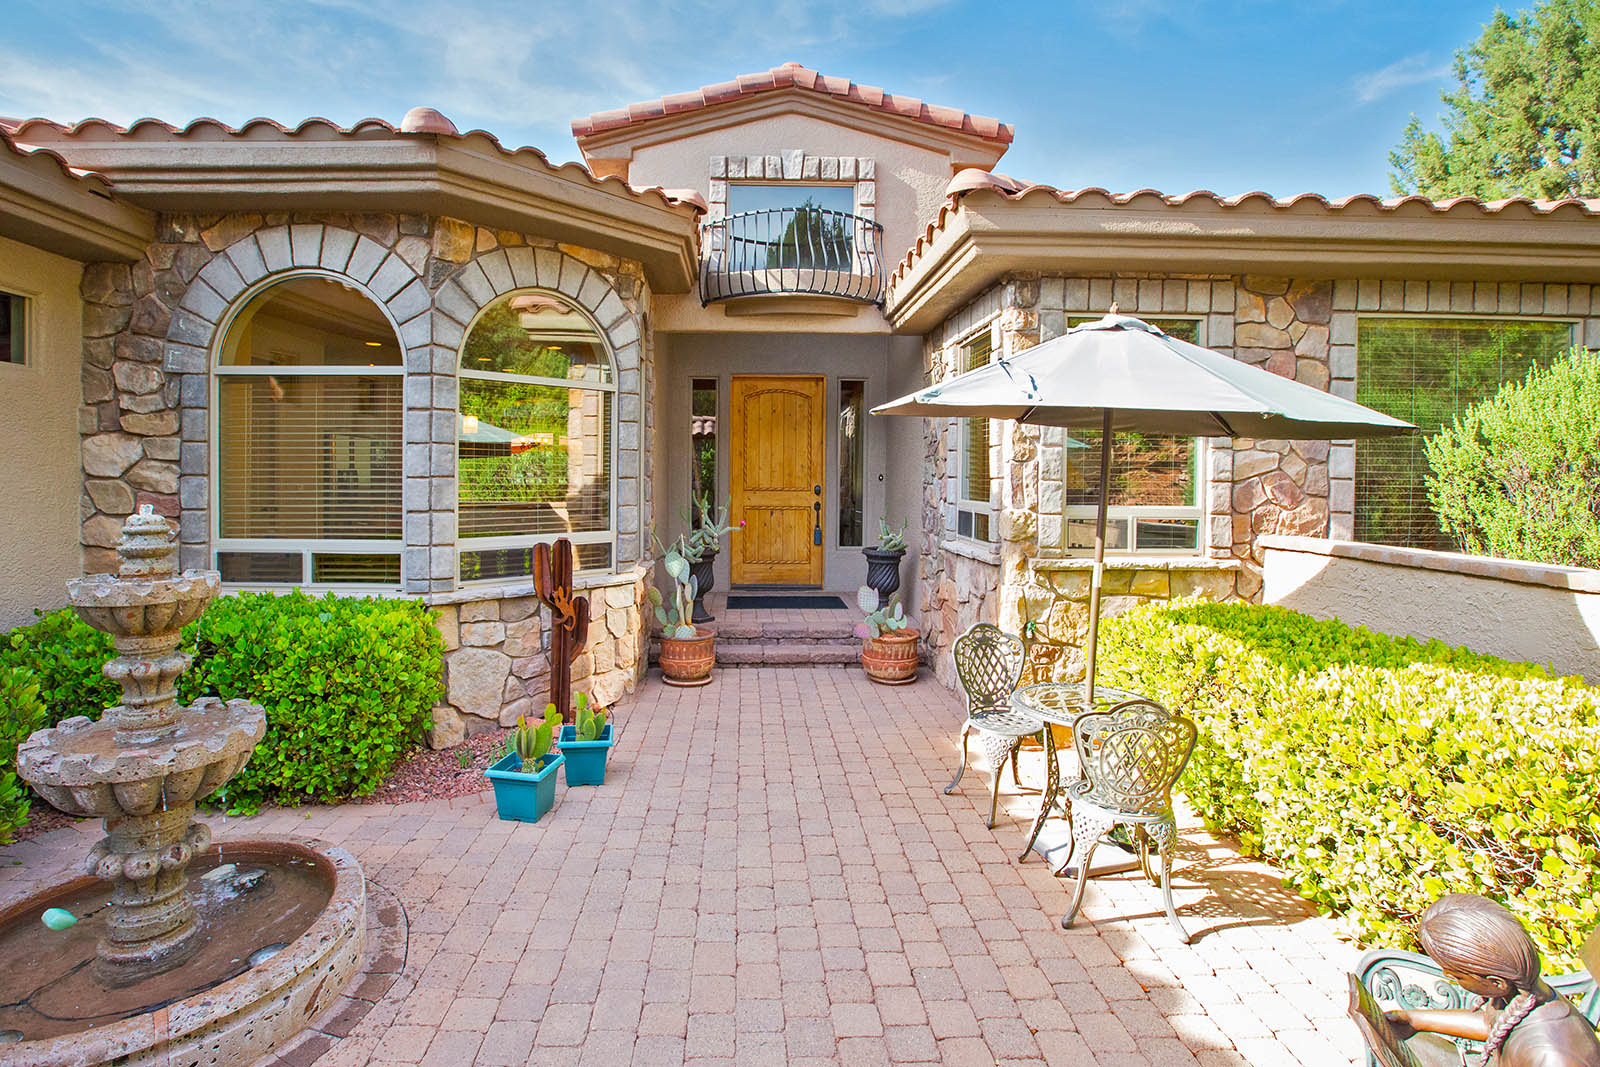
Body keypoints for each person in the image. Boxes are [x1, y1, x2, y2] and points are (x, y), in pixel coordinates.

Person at [1385, 895, 1600, 1066]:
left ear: (1496, 982)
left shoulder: (1553, 1057)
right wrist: (1415, 1020)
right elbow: (1496, 1024)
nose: (1449, 977)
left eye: (1457, 976)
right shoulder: (1521, 996)